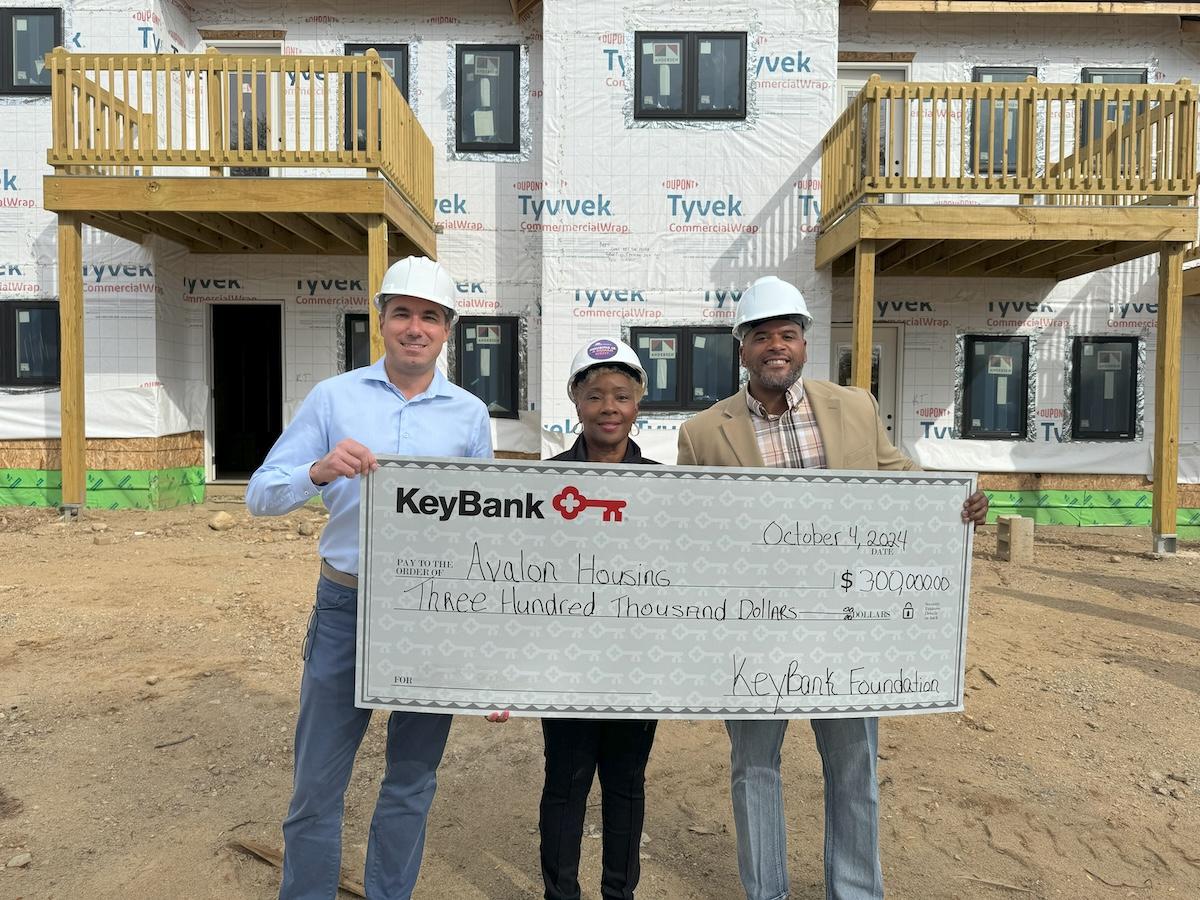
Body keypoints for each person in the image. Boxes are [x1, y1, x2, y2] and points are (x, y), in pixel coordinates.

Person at [676, 276, 988, 900]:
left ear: (803, 344)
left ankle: (854, 891)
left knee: (854, 766)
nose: (775, 347)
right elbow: (693, 528)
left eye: (786, 334)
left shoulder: (854, 408)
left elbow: (899, 481)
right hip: (754, 630)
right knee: (754, 767)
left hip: (846, 626)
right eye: (761, 336)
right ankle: (767, 893)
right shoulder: (704, 432)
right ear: (741, 348)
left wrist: (952, 504)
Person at [246, 256, 492, 900]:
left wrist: (487, 650)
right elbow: (260, 496)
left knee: (411, 781)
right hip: (347, 607)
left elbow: (485, 529)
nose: (416, 328)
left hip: (429, 616)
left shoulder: (468, 416)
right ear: (381, 320)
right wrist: (319, 471)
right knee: (317, 783)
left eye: (430, 317)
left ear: (448, 331)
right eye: (403, 313)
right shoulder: (335, 398)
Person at [541, 338, 659, 900]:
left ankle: (620, 893)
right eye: (594, 396)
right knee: (564, 786)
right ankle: (560, 893)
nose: (608, 407)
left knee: (626, 785)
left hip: (636, 667)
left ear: (639, 403)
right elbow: (511, 578)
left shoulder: (668, 487)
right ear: (575, 402)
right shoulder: (543, 486)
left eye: (621, 395)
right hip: (565, 667)